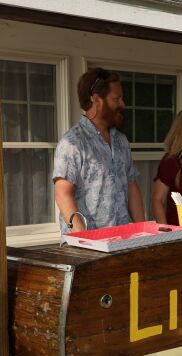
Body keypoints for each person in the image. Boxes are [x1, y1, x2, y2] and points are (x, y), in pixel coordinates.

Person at [53, 68, 145, 234]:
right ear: (97, 100)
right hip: (87, 248)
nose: (122, 104)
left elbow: (132, 186)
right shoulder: (73, 142)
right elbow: (62, 193)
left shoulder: (121, 141)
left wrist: (143, 231)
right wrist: (82, 239)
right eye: (116, 98)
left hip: (121, 242)